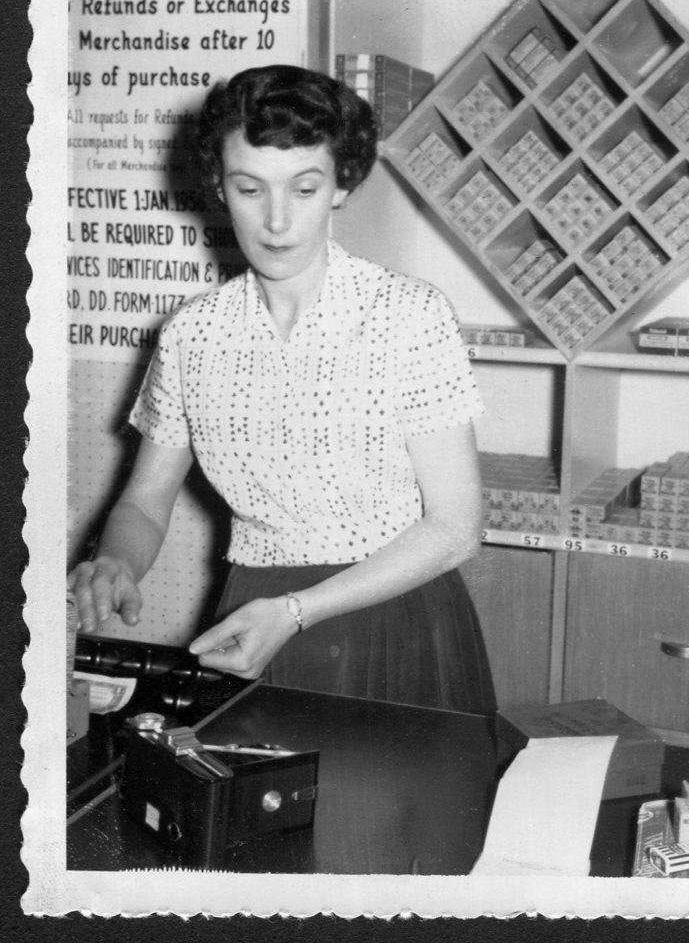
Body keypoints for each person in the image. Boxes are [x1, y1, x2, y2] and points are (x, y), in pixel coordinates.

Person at [67, 64, 496, 715]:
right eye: (250, 188)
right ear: (218, 186)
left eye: (303, 188)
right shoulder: (191, 335)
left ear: (341, 185)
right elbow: (145, 504)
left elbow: (456, 528)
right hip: (252, 616)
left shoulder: (409, 315)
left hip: (393, 615)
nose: (275, 220)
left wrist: (297, 612)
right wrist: (115, 562)